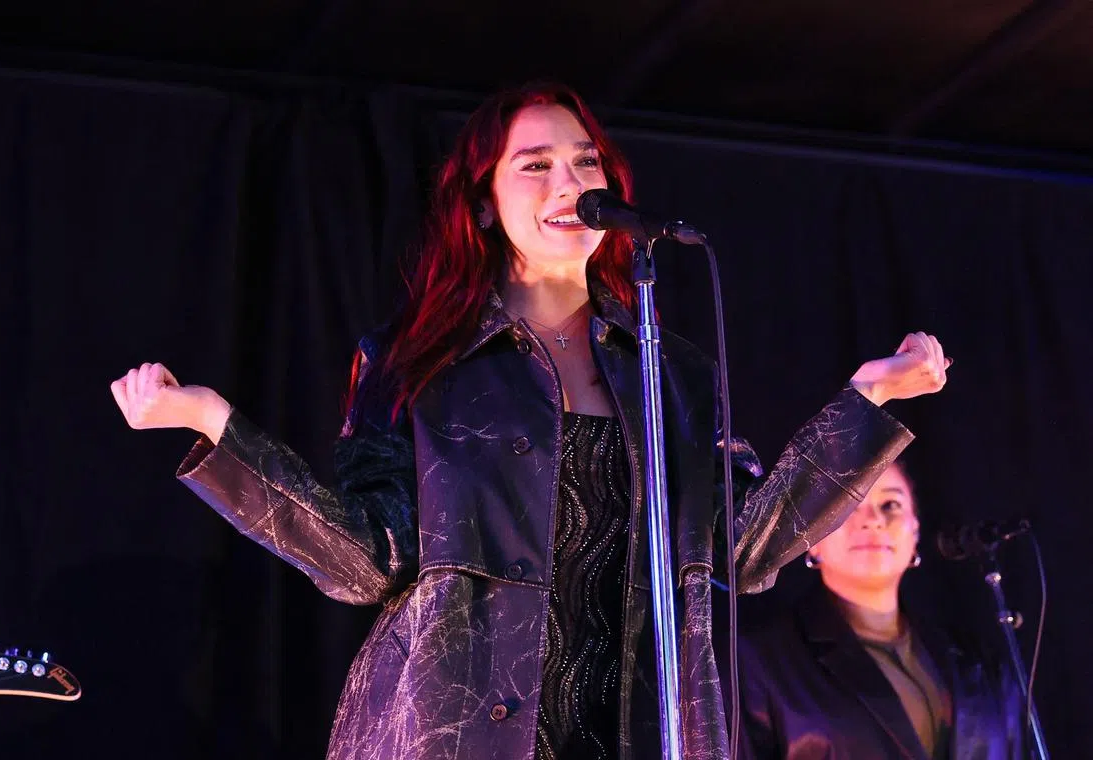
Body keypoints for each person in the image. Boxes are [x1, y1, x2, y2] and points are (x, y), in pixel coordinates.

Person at [109, 82, 950, 760]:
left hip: (638, 729)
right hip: (462, 730)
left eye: (585, 162)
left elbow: (744, 547)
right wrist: (219, 429)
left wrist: (865, 402)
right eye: (535, 165)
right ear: (481, 204)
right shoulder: (416, 360)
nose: (569, 184)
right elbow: (367, 562)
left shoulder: (670, 369)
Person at [723, 461, 1024, 759]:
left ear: (915, 530)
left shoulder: (979, 659)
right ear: (811, 539)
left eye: (891, 504)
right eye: (848, 504)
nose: (873, 520)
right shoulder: (758, 664)